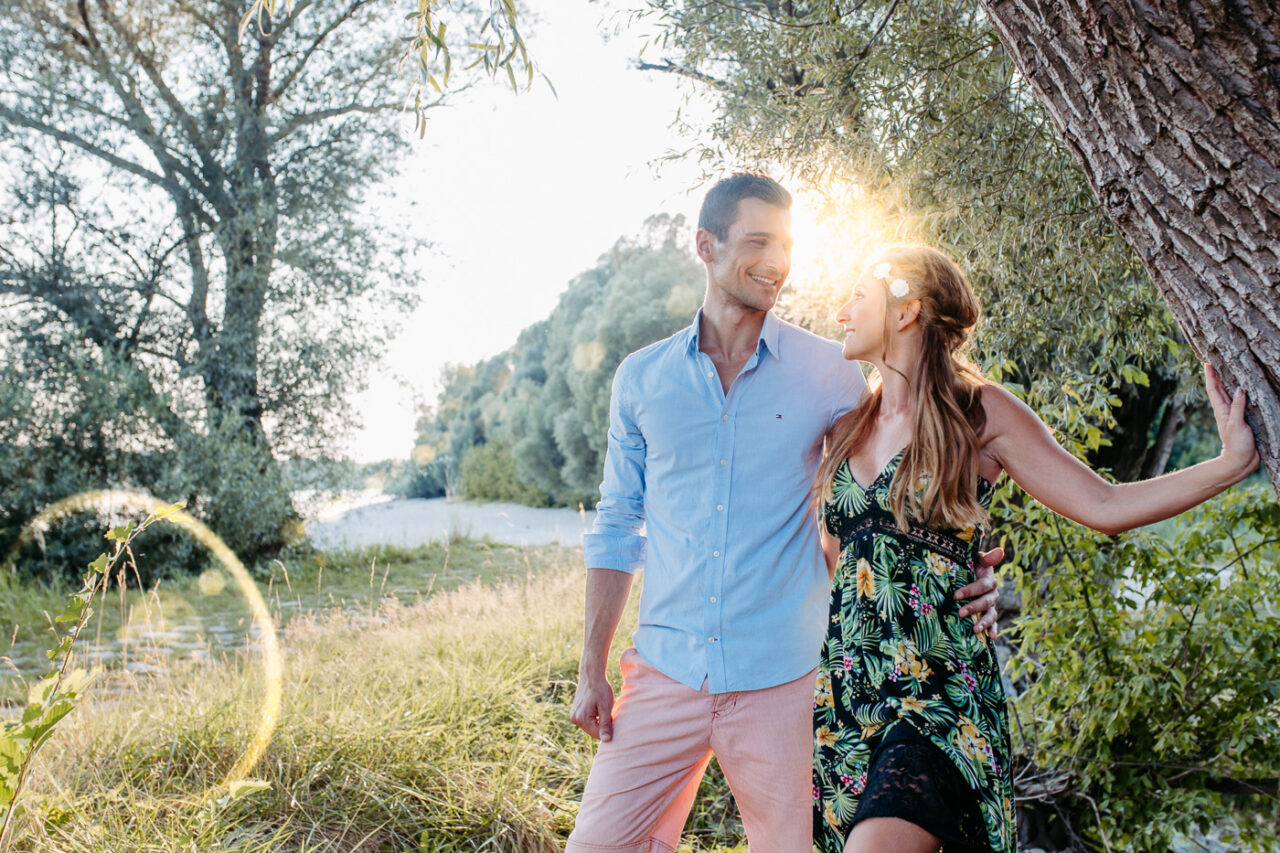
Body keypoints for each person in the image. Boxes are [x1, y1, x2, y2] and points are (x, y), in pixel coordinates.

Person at [565, 175, 1002, 853]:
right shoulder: (641, 378)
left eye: (787, 244)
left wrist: (964, 569)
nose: (776, 259)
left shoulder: (829, 371)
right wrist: (592, 665)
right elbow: (620, 524)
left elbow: (904, 475)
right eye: (758, 240)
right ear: (706, 245)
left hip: (788, 682)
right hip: (665, 672)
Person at [812, 243, 1259, 853]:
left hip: (938, 694)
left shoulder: (981, 413)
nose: (841, 312)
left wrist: (1229, 465)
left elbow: (1104, 506)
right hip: (851, 692)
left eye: (857, 297)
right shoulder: (844, 428)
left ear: (905, 311)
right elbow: (838, 565)